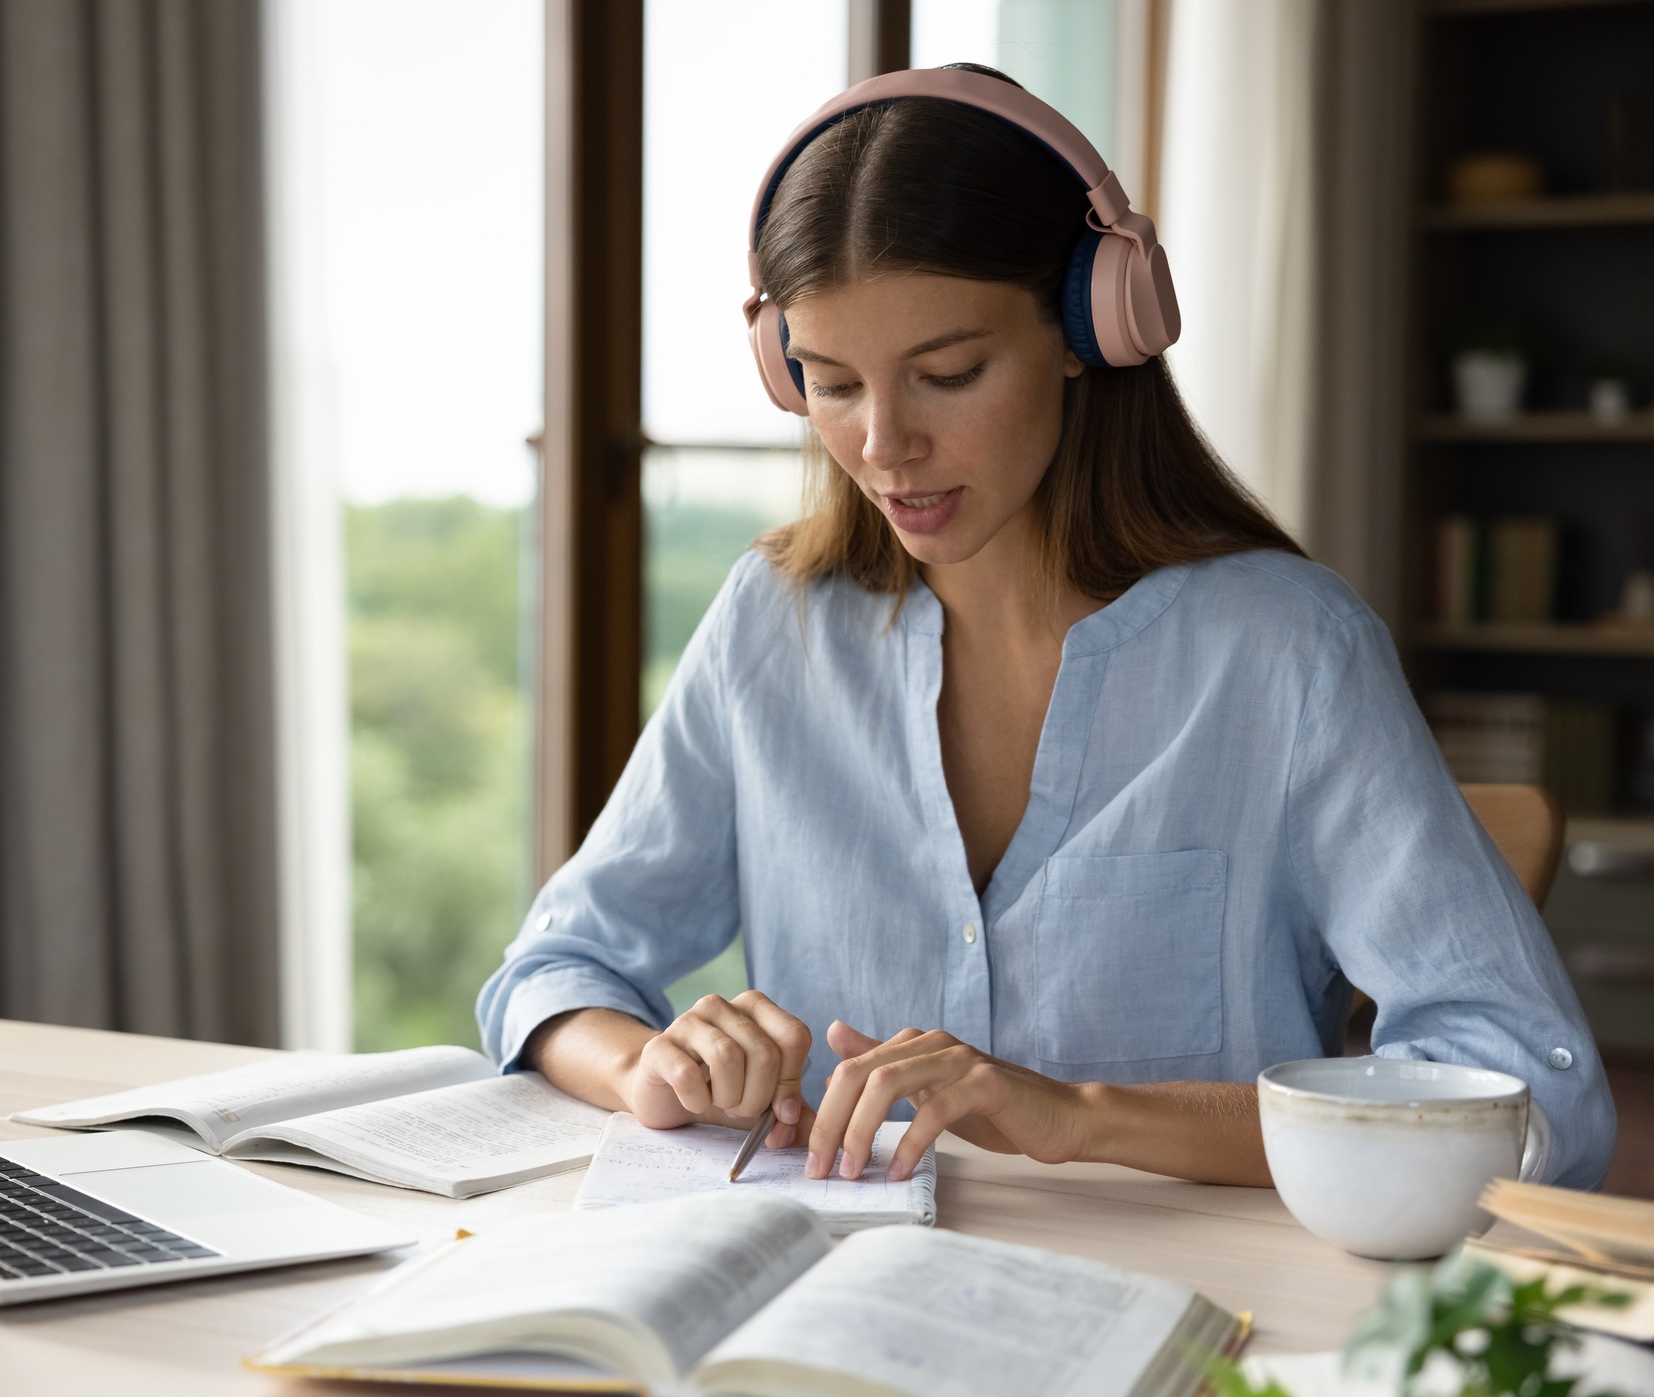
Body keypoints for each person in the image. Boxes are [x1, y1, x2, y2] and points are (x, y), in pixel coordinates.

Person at [476, 66, 1615, 1190]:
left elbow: (1526, 1091)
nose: (882, 444)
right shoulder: (770, 626)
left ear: (1089, 327)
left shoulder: (1286, 652)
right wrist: (653, 1067)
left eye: (948, 373)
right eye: (828, 383)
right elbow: (554, 970)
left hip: (1191, 1316)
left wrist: (1080, 1114)